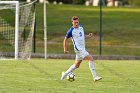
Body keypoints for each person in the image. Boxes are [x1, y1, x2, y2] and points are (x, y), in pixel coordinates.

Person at [61, 16, 102, 81]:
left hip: (82, 49)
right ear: (72, 22)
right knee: (90, 58)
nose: (76, 24)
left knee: (76, 65)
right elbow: (65, 39)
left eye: (77, 22)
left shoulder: (81, 27)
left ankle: (64, 74)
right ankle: (95, 76)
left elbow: (82, 35)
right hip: (78, 50)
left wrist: (88, 36)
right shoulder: (70, 31)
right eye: (75, 23)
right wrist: (65, 49)